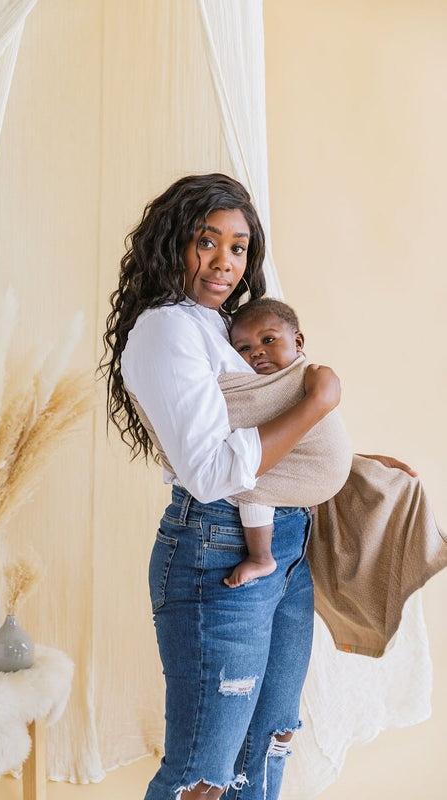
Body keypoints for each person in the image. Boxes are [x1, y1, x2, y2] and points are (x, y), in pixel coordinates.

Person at [100, 173, 409, 800]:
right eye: (206, 242)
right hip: (218, 550)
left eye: (238, 247)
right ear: (170, 243)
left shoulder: (221, 325)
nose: (224, 262)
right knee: (203, 772)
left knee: (268, 742)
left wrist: (345, 459)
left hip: (284, 549)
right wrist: (318, 404)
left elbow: (257, 426)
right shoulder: (166, 330)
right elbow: (213, 471)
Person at [224, 296, 335, 588]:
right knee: (250, 480)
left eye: (268, 340)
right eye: (244, 348)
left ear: (297, 342)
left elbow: (319, 431)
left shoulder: (308, 376)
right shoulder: (255, 385)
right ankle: (262, 556)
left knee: (249, 488)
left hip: (314, 479)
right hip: (299, 484)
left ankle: (260, 557)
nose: (257, 352)